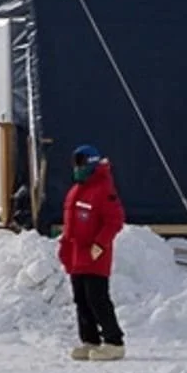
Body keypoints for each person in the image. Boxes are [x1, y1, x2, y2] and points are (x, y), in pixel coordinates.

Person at [60, 144, 126, 361]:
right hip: (76, 253)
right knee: (81, 298)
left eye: (80, 163)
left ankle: (114, 341)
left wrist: (100, 244)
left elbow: (114, 220)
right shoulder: (76, 189)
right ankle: (90, 340)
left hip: (95, 254)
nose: (76, 168)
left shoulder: (103, 189)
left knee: (97, 297)